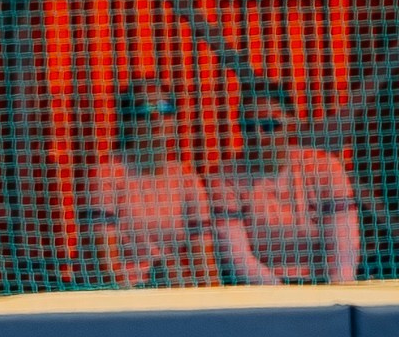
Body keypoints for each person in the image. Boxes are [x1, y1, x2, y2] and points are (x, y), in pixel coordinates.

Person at [213, 79, 360, 286]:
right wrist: (282, 295)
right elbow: (237, 257)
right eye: (249, 127)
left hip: (321, 284)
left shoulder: (325, 167)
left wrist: (336, 293)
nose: (258, 135)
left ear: (291, 124)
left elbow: (344, 248)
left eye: (270, 125)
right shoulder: (226, 178)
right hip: (259, 290)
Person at [81, 78, 218, 289]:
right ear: (127, 123)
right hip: (124, 291)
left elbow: (205, 263)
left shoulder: (187, 179)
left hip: (173, 285)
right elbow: (106, 268)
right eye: (144, 111)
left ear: (174, 120)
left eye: (164, 109)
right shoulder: (106, 175)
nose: (156, 118)